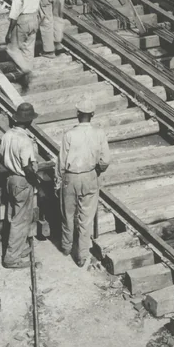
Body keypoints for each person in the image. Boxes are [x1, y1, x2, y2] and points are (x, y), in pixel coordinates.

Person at [58, 95, 111, 267]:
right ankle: (81, 256)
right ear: (93, 114)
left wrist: (58, 181)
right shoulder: (99, 133)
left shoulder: (69, 134)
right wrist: (96, 170)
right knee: (85, 218)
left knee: (68, 214)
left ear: (77, 113)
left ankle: (66, 247)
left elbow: (61, 162)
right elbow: (105, 161)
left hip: (71, 176)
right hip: (89, 176)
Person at [1, 101, 40, 268]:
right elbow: (27, 166)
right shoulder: (25, 140)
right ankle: (12, 258)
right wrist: (35, 179)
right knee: (21, 219)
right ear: (29, 121)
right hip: (22, 181)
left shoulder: (7, 135)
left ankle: (17, 248)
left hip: (10, 179)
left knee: (13, 217)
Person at [6, 0, 40, 80]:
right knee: (29, 48)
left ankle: (25, 69)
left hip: (23, 20)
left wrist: (9, 32)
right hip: (34, 18)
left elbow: (15, 13)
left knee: (12, 48)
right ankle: (28, 75)